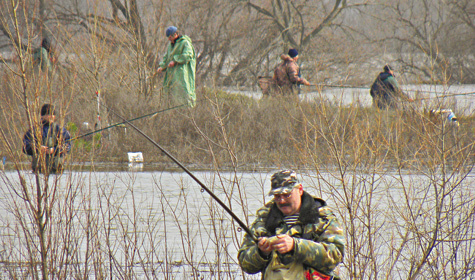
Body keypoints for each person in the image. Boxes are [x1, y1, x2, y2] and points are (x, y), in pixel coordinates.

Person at [238, 170, 345, 280]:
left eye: (287, 195)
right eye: (277, 196)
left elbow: (335, 255)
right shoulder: (264, 220)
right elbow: (245, 264)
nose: (282, 200)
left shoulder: (322, 218)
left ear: (300, 190)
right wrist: (261, 252)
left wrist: (296, 246)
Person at [23, 104, 71, 174]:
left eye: (53, 114)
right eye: (48, 114)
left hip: (57, 172)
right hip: (38, 172)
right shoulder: (34, 130)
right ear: (42, 116)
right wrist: (38, 148)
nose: (51, 116)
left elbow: (67, 146)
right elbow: (25, 147)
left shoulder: (61, 130)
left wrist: (54, 150)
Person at [156, 26, 196, 107]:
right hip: (172, 75)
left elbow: (188, 55)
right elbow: (166, 58)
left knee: (184, 94)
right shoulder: (170, 46)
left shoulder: (185, 43)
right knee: (171, 96)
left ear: (175, 34)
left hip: (182, 75)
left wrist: (175, 61)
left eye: (170, 37)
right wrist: (162, 66)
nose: (169, 39)